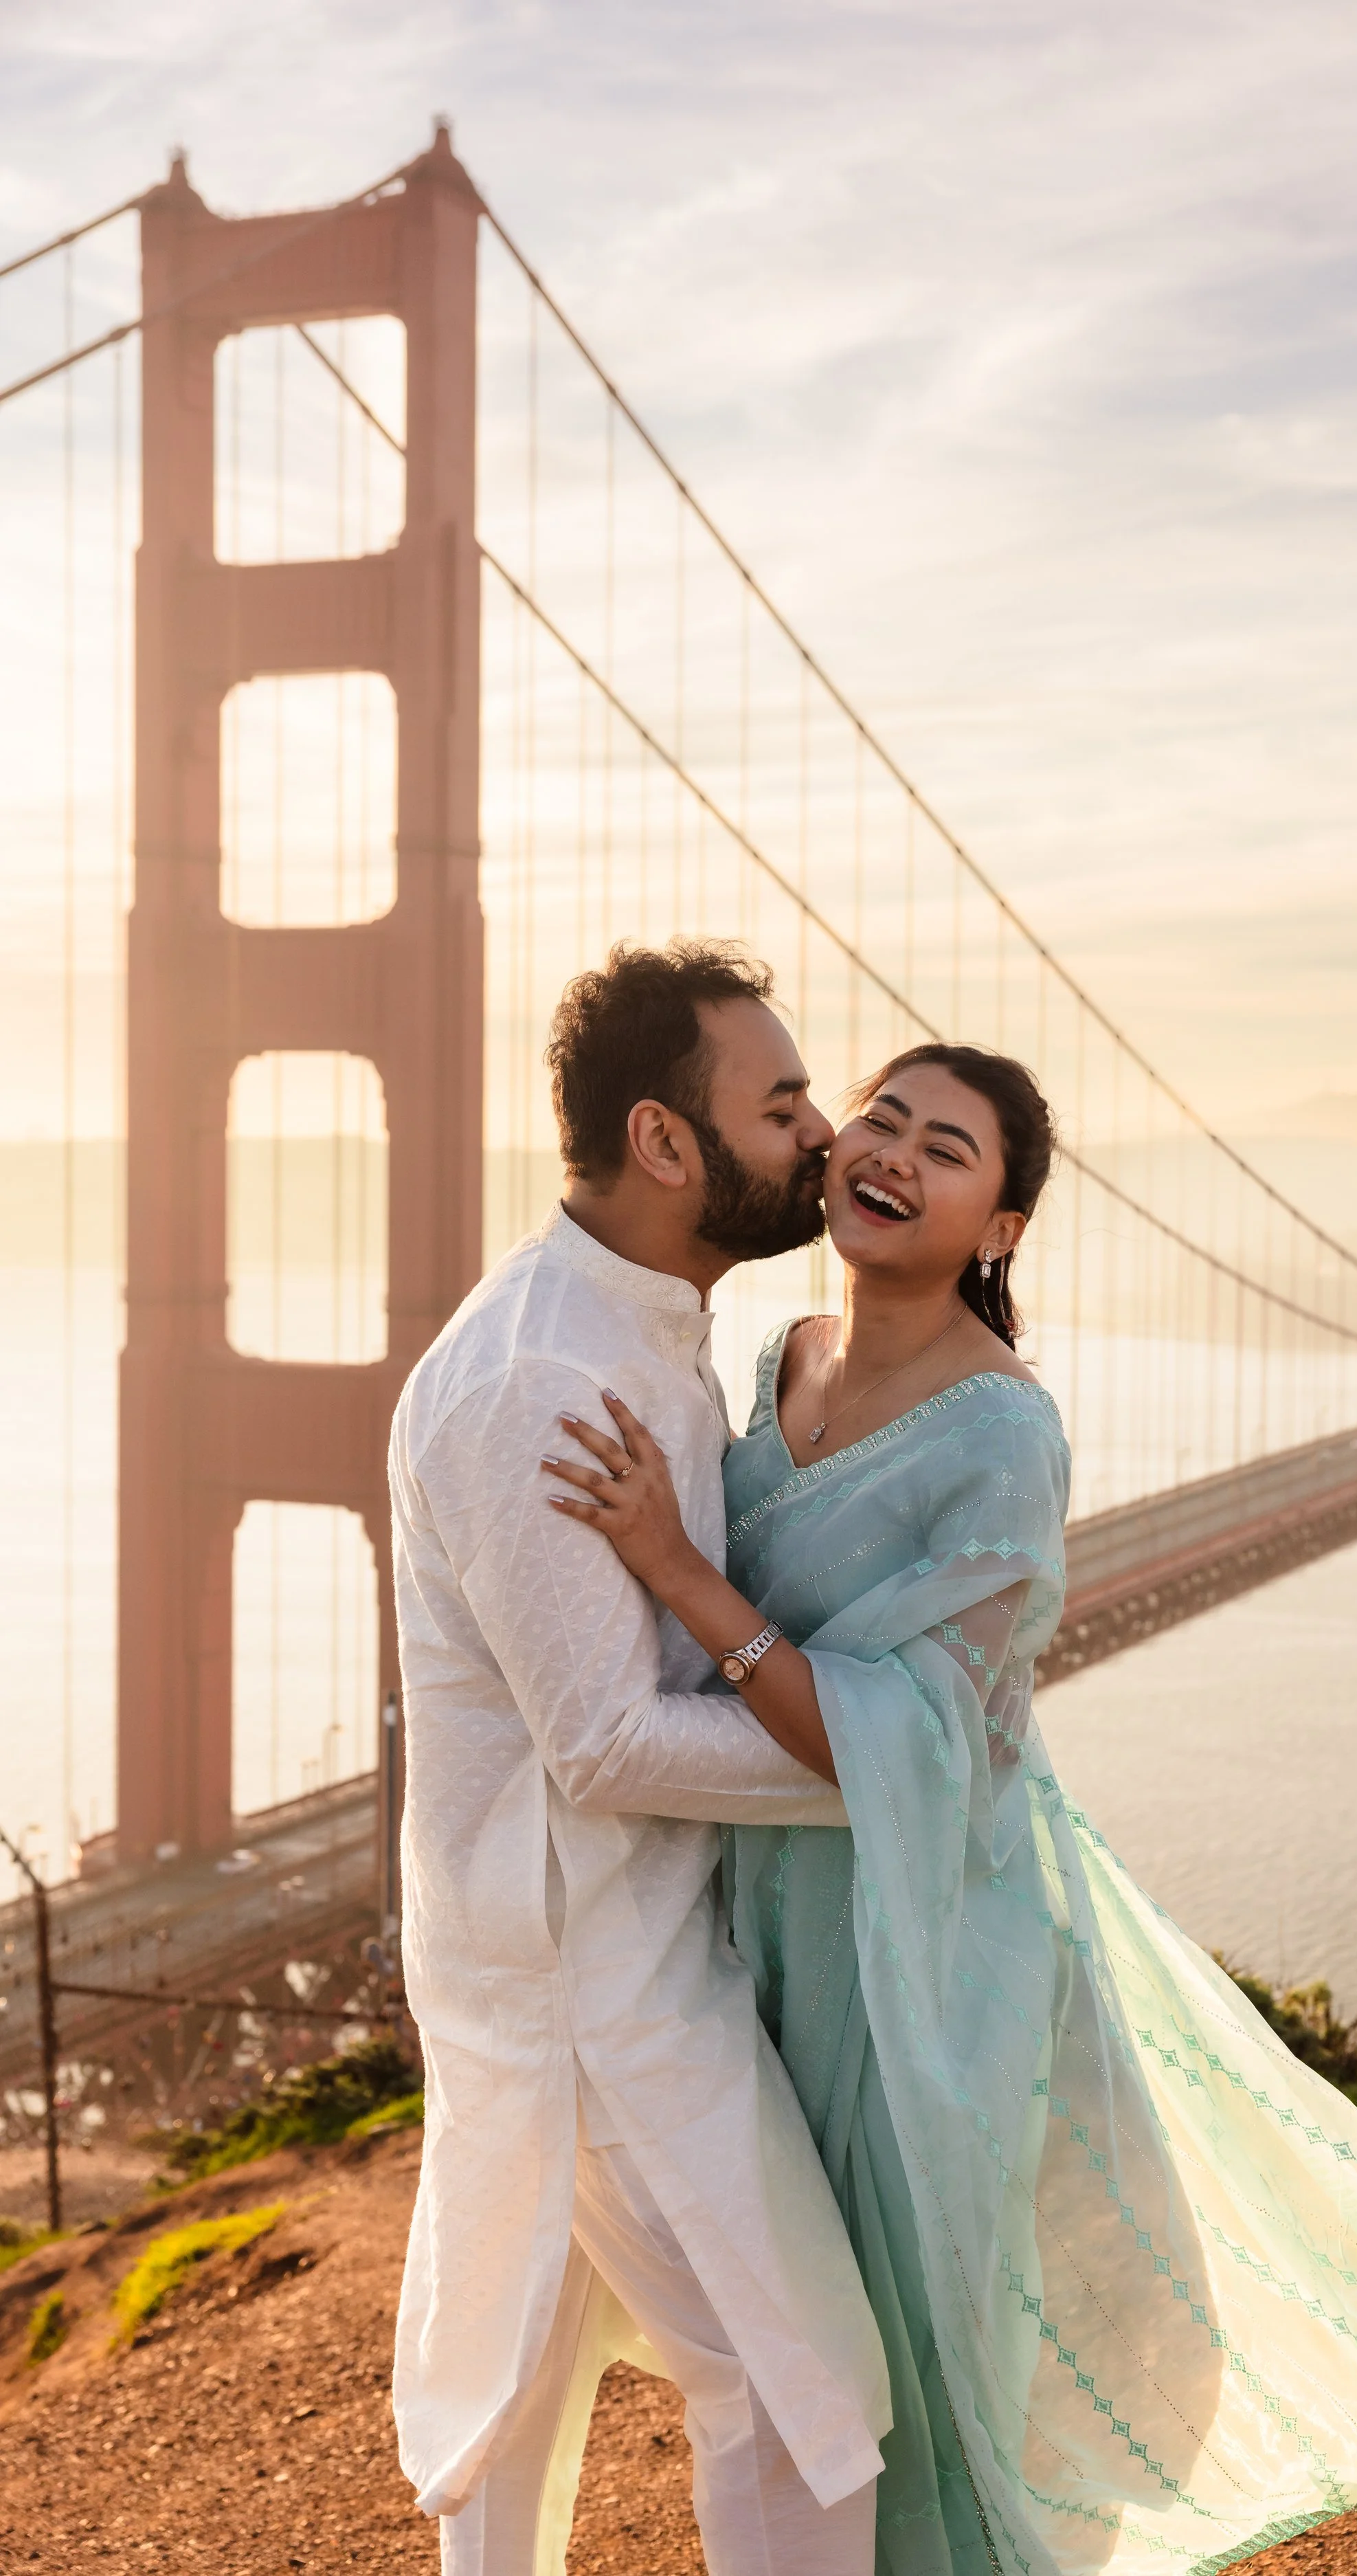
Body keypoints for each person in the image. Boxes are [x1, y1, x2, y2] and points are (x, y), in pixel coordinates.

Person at [540, 1036, 1357, 2573]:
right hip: (759, 1925)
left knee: (915, 2356)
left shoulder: (1003, 1436)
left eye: (948, 1150)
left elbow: (909, 1743)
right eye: (883, 1118)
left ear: (998, 1227)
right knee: (795, 2347)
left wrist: (673, 1566)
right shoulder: (778, 1355)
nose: (893, 1155)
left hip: (922, 1946)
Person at [388, 941, 891, 2576]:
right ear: (665, 1140)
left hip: (589, 1952)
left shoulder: (643, 1326)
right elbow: (602, 1741)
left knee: (517, 2406)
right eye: (782, 1101)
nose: (822, 1132)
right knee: (802, 2395)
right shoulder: (542, 1377)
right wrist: (883, 1758)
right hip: (589, 1992)